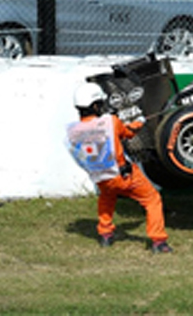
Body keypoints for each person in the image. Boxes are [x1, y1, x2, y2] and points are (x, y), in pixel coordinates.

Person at [67, 82, 172, 253]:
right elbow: (127, 132)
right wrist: (139, 122)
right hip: (123, 174)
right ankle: (158, 241)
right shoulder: (110, 121)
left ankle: (105, 234)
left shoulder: (74, 132)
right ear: (95, 105)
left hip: (101, 177)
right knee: (152, 199)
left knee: (107, 198)